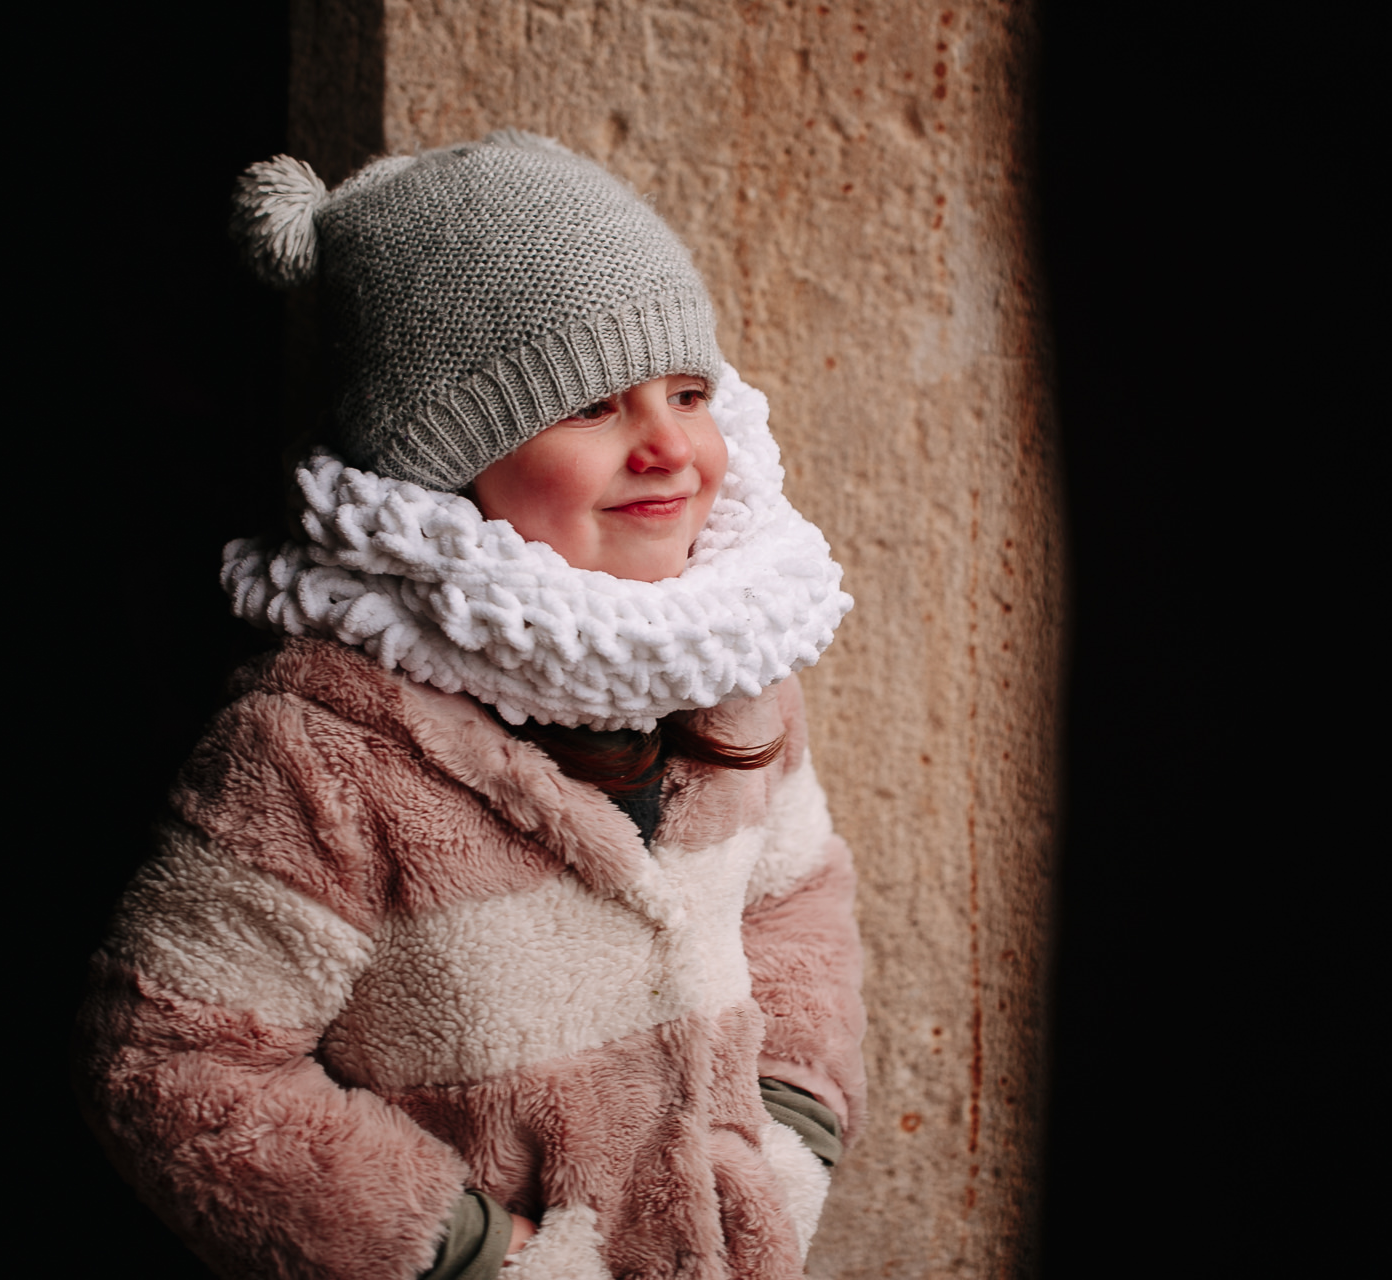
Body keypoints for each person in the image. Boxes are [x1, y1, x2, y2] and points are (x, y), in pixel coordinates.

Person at [75, 130, 865, 1280]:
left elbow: (798, 915)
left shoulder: (737, 677)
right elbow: (176, 1061)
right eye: (592, 405)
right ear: (447, 464)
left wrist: (785, 1148)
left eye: (688, 393)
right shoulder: (322, 749)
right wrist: (471, 1252)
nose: (667, 447)